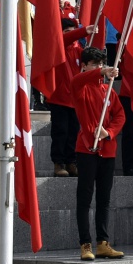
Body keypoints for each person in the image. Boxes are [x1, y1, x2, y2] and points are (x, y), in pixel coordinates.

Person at [64, 47, 127, 261]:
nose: (99, 68)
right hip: (86, 149)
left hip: (107, 150)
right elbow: (78, 81)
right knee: (84, 198)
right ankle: (85, 244)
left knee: (104, 199)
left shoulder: (108, 91)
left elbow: (120, 115)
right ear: (84, 66)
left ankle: (103, 243)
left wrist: (108, 132)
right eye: (94, 64)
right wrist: (101, 73)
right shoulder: (80, 85)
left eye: (101, 64)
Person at [47, 20, 90, 177]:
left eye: (73, 31)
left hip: (76, 100)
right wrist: (84, 30)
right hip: (58, 98)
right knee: (60, 131)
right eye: (67, 31)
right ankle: (59, 163)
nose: (71, 35)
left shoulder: (80, 50)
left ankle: (71, 162)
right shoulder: (58, 46)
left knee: (74, 132)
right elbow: (64, 39)